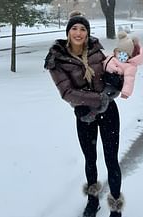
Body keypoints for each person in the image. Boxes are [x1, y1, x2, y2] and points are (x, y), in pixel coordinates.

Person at [44, 11, 125, 217]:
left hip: (109, 113)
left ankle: (115, 207)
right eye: (74, 28)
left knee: (111, 160)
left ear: (87, 33)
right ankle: (92, 201)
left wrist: (116, 84)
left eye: (83, 29)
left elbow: (114, 71)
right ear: (68, 32)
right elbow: (66, 92)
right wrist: (98, 99)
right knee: (90, 160)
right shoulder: (58, 59)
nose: (78, 33)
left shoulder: (97, 51)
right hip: (85, 115)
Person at [80, 31, 143, 123]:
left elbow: (129, 79)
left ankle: (93, 114)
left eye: (122, 53)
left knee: (103, 99)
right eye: (117, 51)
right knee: (99, 98)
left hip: (112, 86)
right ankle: (93, 112)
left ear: (128, 54)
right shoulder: (115, 56)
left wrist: (126, 92)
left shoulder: (129, 66)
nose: (118, 54)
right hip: (105, 81)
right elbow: (106, 60)